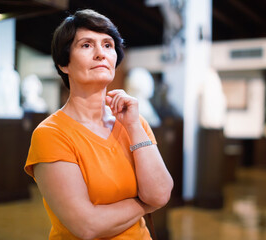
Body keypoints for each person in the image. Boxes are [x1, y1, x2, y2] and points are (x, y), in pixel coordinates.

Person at [24, 9, 173, 240]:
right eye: (86, 45)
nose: (100, 54)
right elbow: (87, 226)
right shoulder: (50, 134)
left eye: (108, 45)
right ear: (64, 64)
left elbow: (162, 192)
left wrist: (133, 126)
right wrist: (146, 204)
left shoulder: (134, 121)